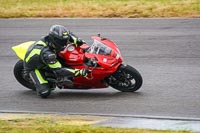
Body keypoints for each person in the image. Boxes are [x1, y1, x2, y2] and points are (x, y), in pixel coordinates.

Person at [23, 24, 89, 98]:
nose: (65, 43)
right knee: (45, 92)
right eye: (62, 41)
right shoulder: (47, 54)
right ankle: (44, 79)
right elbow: (59, 71)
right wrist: (79, 72)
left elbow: (69, 34)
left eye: (65, 40)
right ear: (54, 39)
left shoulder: (56, 39)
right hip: (34, 68)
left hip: (44, 58)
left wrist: (77, 40)